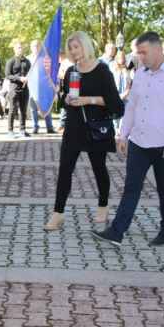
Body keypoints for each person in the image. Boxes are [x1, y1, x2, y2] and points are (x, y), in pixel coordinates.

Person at [90, 31, 164, 247]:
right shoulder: (141, 74)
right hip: (139, 141)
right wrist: (124, 134)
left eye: (144, 52)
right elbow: (133, 107)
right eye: (138, 53)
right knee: (131, 187)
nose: (140, 57)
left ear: (157, 49)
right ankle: (117, 231)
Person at [44, 31, 124, 231]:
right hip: (73, 128)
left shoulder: (103, 70)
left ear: (85, 46)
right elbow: (65, 99)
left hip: (94, 129)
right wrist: (65, 100)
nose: (73, 51)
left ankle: (103, 207)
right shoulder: (71, 70)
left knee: (99, 170)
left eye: (76, 47)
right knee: (64, 171)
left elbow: (116, 104)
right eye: (70, 48)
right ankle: (58, 214)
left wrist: (89, 100)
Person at [26, 40, 56, 133]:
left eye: (37, 46)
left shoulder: (45, 58)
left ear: (40, 46)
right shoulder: (27, 59)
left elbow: (50, 72)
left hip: (44, 87)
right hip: (32, 87)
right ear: (31, 48)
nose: (36, 48)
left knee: (47, 106)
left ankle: (50, 127)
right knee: (33, 108)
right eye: (34, 46)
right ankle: (35, 126)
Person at [6, 39, 31, 138]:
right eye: (18, 48)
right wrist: (19, 78)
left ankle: (22, 129)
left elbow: (30, 73)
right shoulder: (11, 61)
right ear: (14, 49)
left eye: (22, 48)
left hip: (25, 89)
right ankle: (10, 130)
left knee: (23, 110)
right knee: (12, 109)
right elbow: (8, 75)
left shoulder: (27, 61)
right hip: (14, 88)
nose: (21, 50)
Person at [110, 51, 131, 136]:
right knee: (115, 112)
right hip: (115, 94)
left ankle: (121, 128)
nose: (121, 60)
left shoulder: (127, 70)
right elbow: (110, 83)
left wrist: (125, 94)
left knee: (124, 112)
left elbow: (129, 85)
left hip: (125, 94)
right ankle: (115, 128)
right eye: (120, 58)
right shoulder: (112, 69)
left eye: (123, 58)